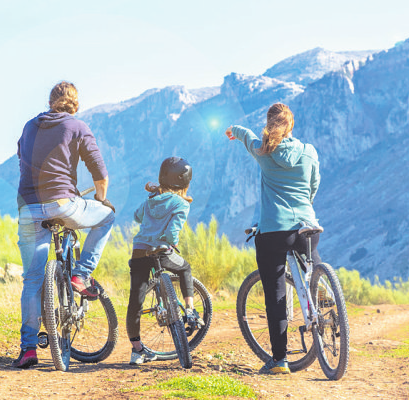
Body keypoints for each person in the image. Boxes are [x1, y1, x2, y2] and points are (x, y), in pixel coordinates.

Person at [13, 81, 117, 369]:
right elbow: (100, 174)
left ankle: (28, 349)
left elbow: (22, 159)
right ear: (75, 104)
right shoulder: (77, 127)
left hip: (28, 207)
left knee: (32, 280)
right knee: (107, 217)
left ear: (50, 102)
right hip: (63, 203)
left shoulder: (29, 127)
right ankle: (80, 275)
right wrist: (101, 199)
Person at [225, 103, 321, 375]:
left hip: (275, 230)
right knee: (312, 262)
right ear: (291, 125)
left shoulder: (264, 151)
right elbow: (313, 186)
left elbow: (246, 137)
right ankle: (323, 291)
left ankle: (280, 360)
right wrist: (303, 208)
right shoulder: (309, 151)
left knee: (275, 293)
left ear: (269, 125)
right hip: (306, 225)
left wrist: (234, 130)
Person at [125, 156, 202, 365]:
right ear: (186, 182)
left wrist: (153, 200)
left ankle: (137, 350)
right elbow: (171, 234)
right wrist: (172, 242)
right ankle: (190, 310)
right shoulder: (181, 204)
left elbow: (136, 217)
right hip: (161, 252)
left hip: (140, 251)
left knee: (136, 299)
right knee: (185, 268)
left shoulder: (150, 200)